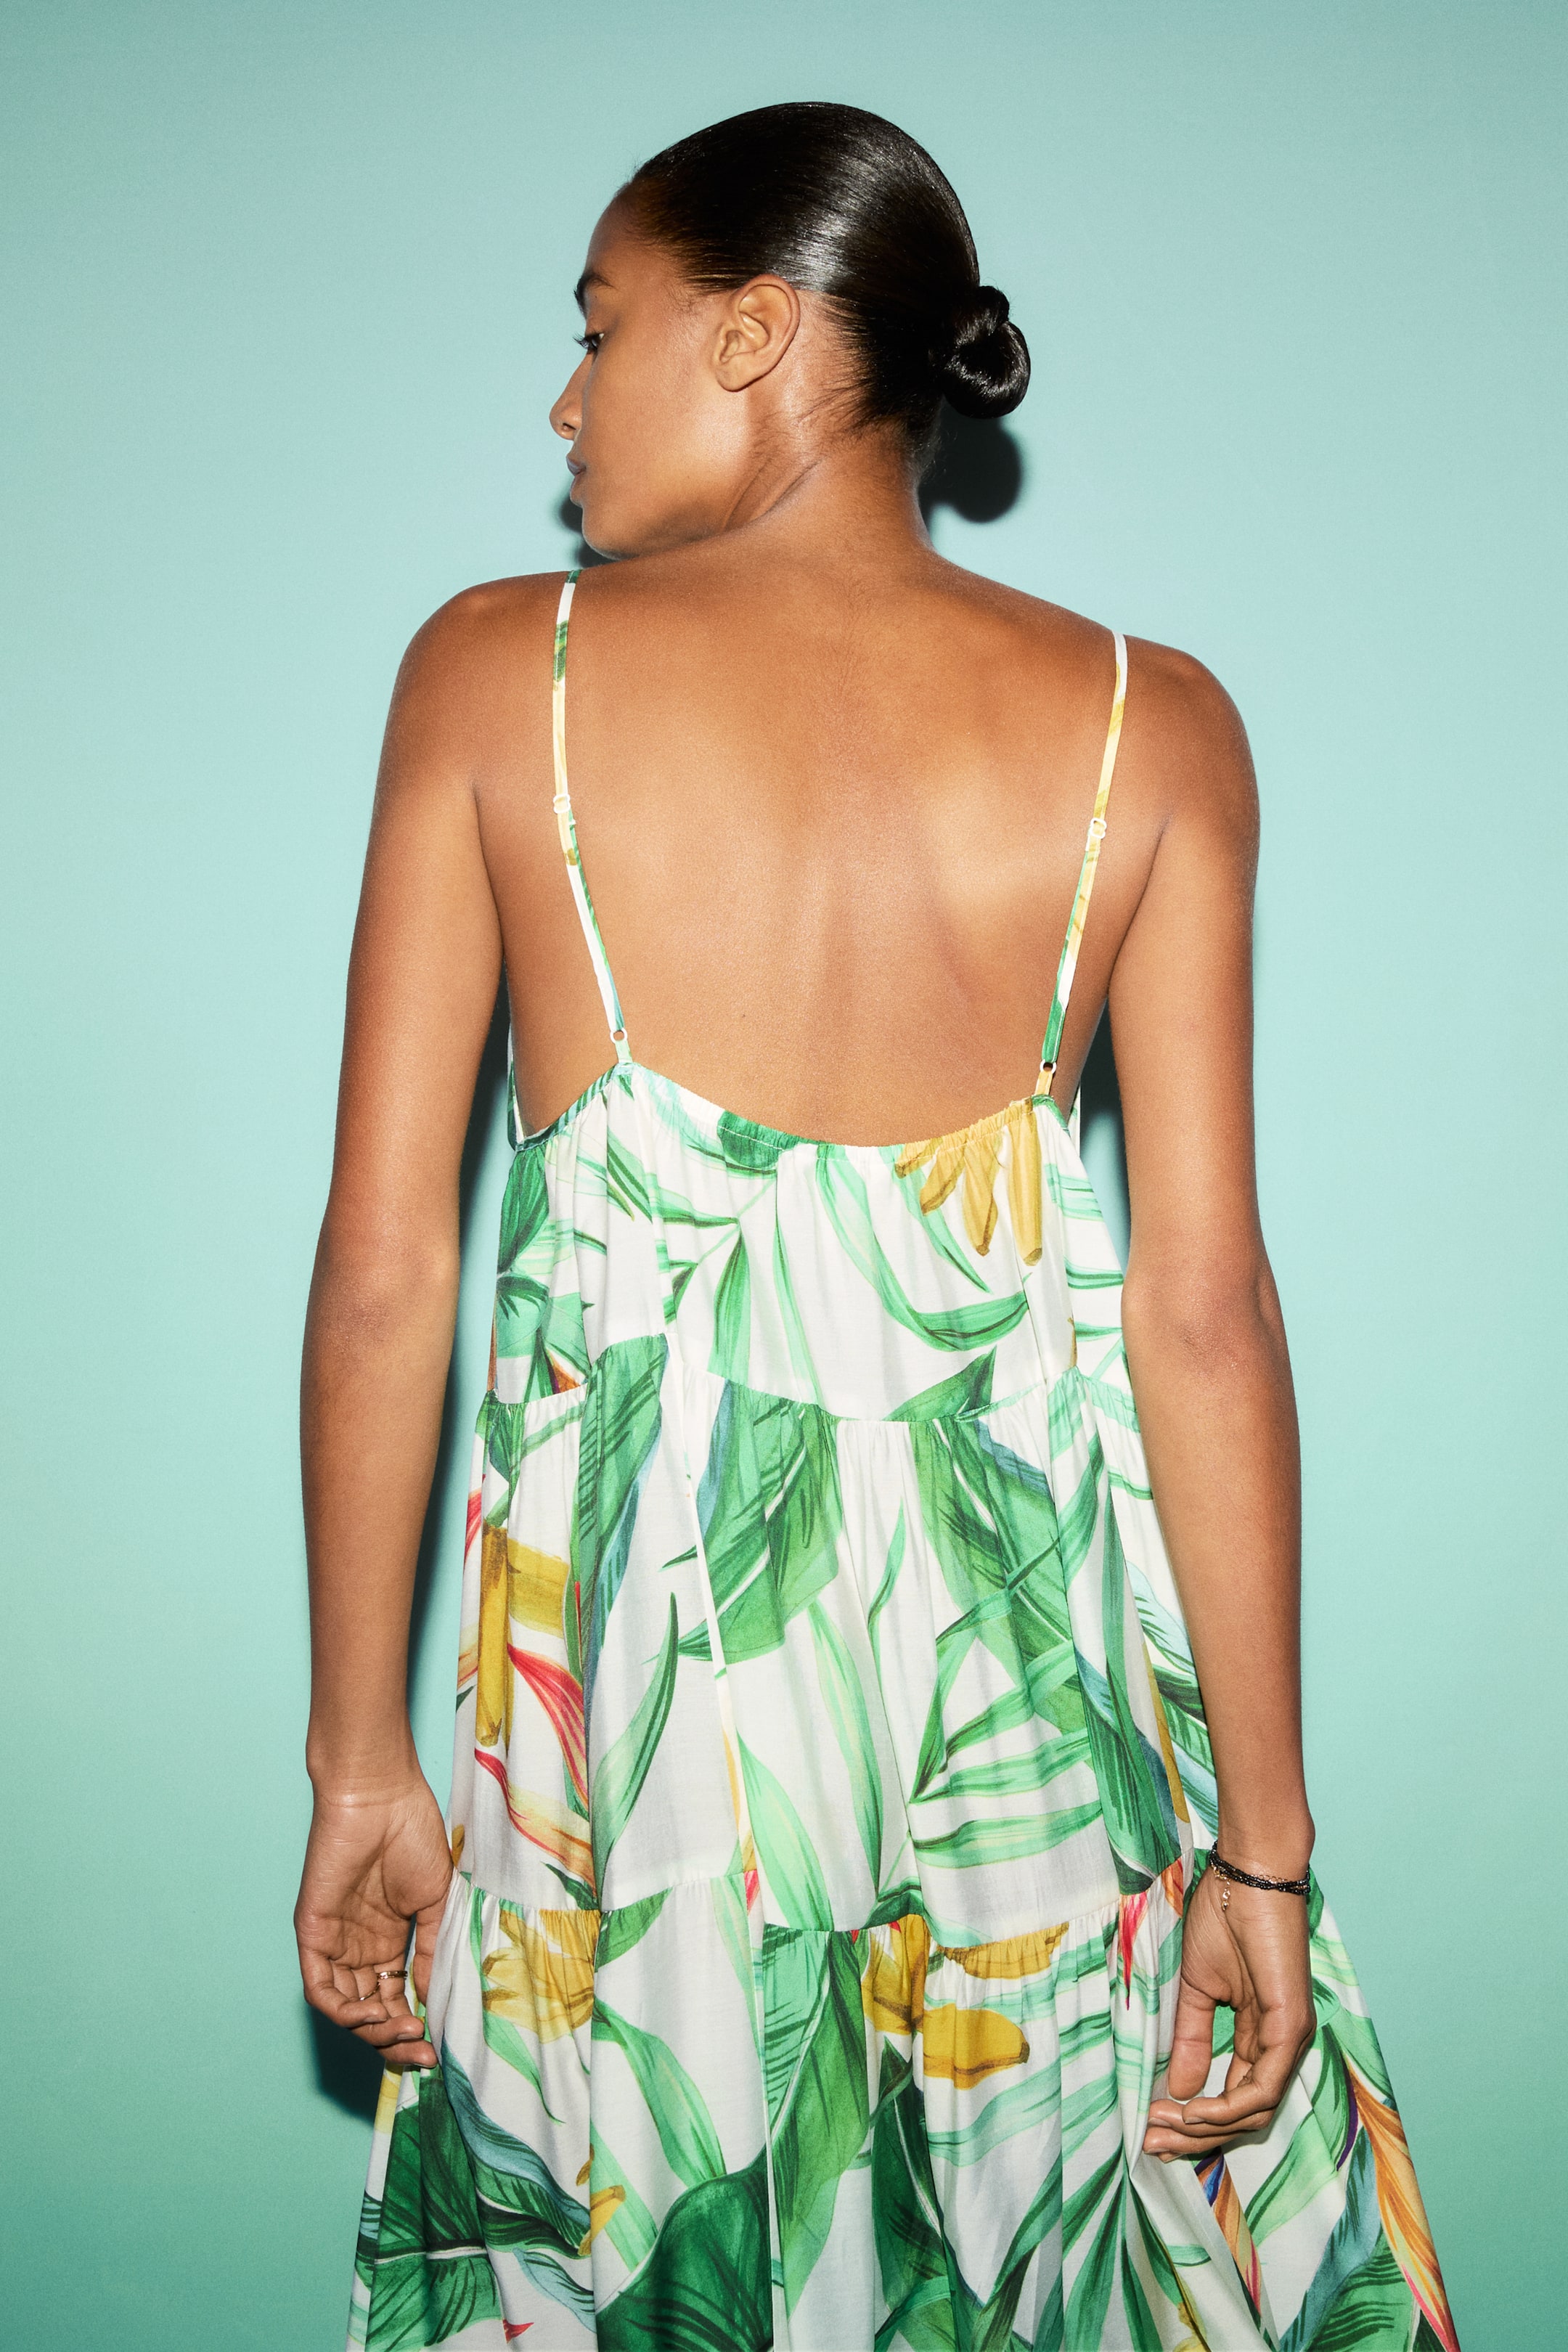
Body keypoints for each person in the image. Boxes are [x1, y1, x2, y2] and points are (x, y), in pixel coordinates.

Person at [296, 101, 1453, 2352]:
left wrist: (361, 1760)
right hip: (1027, 1764)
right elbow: (1204, 1316)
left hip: (638, 1773)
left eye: (598, 329)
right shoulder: (1153, 727)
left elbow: (384, 1275)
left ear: (751, 334)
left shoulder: (497, 674)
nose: (563, 403)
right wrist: (1267, 1850)